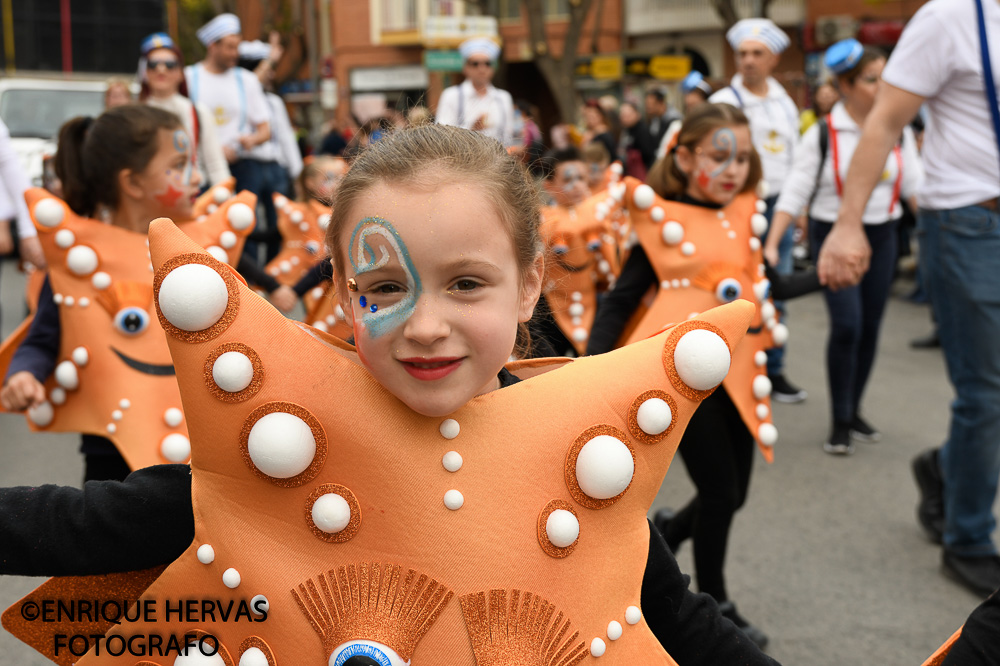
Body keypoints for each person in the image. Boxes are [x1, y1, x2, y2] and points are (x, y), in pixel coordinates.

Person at [0, 124, 780, 666]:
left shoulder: (577, 466)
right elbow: (81, 527)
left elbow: (679, 622)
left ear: (528, 285)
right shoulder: (280, 449)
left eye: (466, 282)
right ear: (342, 290)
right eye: (384, 287)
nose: (426, 324)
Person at [587, 103, 819, 649]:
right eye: (720, 155)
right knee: (719, 494)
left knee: (732, 496)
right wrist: (589, 367)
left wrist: (825, 276)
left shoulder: (744, 213)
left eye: (743, 156)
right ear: (686, 157)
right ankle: (719, 607)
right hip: (684, 381)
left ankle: (667, 533)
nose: (734, 167)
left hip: (742, 376)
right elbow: (621, 301)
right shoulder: (661, 220)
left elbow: (768, 287)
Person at [816, 0, 1000, 597]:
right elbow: (884, 123)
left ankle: (945, 468)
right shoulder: (952, 18)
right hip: (970, 220)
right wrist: (848, 225)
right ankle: (967, 537)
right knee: (987, 389)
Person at [0, 106, 204, 482]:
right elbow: (43, 337)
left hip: (200, 450)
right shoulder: (80, 263)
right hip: (111, 453)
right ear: (134, 183)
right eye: (179, 165)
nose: (198, 177)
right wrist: (25, 373)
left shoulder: (201, 250)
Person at [764, 39, 921, 455]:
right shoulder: (823, 132)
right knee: (848, 324)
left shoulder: (897, 128)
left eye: (886, 78)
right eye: (872, 80)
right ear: (846, 86)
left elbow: (915, 187)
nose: (883, 87)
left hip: (883, 234)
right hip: (831, 233)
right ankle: (839, 419)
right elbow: (797, 189)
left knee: (870, 327)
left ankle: (854, 412)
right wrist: (773, 240)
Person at [710, 18, 806, 404]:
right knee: (732, 291)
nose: (748, 61)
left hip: (779, 207)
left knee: (776, 289)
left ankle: (774, 369)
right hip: (737, 207)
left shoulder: (784, 101)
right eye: (743, 54)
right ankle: (730, 372)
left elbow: (797, 157)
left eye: (757, 54)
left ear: (773, 60)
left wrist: (797, 209)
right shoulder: (725, 103)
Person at [184, 13, 274, 262]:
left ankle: (250, 286)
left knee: (245, 226)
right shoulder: (189, 77)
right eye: (230, 47)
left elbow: (265, 130)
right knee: (206, 226)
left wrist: (251, 141)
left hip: (243, 166)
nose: (236, 53)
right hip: (202, 168)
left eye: (237, 47)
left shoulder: (246, 80)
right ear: (212, 46)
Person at [531, 147, 620, 357]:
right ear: (549, 186)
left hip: (593, 295)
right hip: (552, 302)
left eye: (581, 178)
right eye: (568, 179)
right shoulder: (543, 219)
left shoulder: (596, 213)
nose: (577, 185)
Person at [138, 32, 231, 188]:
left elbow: (216, 165)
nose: (161, 70)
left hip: (194, 195)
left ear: (181, 72)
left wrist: (228, 203)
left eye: (169, 64)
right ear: (145, 72)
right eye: (153, 64)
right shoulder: (135, 114)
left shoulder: (198, 111)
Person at [435, 38, 516, 147]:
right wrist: (471, 129)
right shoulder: (451, 95)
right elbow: (441, 134)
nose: (482, 69)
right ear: (465, 67)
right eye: (475, 63)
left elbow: (509, 135)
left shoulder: (504, 97)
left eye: (487, 63)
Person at [618, 100, 656, 178]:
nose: (625, 119)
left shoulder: (642, 130)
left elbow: (648, 154)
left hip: (643, 173)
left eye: (628, 115)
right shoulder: (626, 130)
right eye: (623, 116)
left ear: (637, 114)